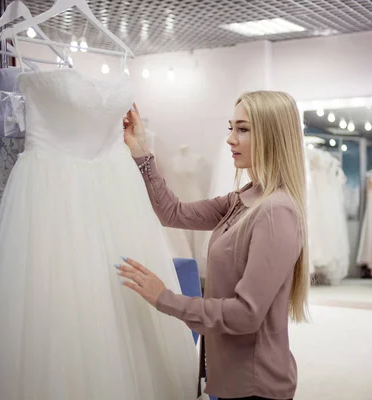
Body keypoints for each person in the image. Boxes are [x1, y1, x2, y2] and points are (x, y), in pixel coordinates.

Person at [118, 91, 310, 400]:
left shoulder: (276, 212)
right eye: (231, 127)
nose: (230, 139)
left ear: (273, 135)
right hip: (228, 378)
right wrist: (141, 151)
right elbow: (173, 212)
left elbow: (246, 313)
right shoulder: (243, 199)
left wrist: (165, 298)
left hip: (255, 386)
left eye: (243, 129)